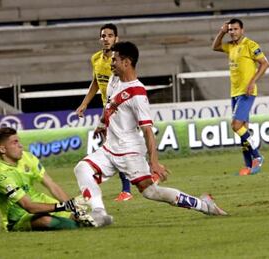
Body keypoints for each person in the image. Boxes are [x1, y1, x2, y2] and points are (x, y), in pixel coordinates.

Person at [74, 41, 228, 227]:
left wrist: (154, 161)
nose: (111, 63)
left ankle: (205, 205)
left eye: (114, 60)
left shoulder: (138, 93)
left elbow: (148, 130)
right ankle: (99, 213)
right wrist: (102, 123)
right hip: (109, 149)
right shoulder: (114, 80)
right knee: (82, 168)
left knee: (151, 192)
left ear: (126, 62)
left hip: (129, 152)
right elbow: (110, 105)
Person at [0, 127, 95, 231]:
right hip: (19, 217)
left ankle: (87, 222)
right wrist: (63, 206)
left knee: (80, 217)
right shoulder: (0, 175)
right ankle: (78, 226)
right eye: (15, 142)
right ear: (2, 149)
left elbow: (50, 184)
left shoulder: (27, 157)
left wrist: (73, 207)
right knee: (46, 221)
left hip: (42, 202)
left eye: (19, 141)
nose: (20, 145)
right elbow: (28, 206)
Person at [75, 23, 133, 202]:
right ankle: (138, 179)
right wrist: (84, 103)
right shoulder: (96, 59)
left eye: (110, 35)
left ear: (116, 38)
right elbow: (96, 82)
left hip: (120, 110)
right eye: (103, 36)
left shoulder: (119, 60)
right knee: (117, 148)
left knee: (117, 149)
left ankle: (126, 189)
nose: (106, 39)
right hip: (107, 110)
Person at [212, 18, 268, 175]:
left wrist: (252, 82)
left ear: (242, 30)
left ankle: (257, 156)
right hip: (235, 92)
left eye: (235, 29)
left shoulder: (250, 45)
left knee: (236, 125)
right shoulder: (231, 46)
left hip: (246, 92)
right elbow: (215, 46)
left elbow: (264, 63)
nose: (233, 32)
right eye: (230, 30)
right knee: (244, 129)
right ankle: (249, 166)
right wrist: (221, 31)